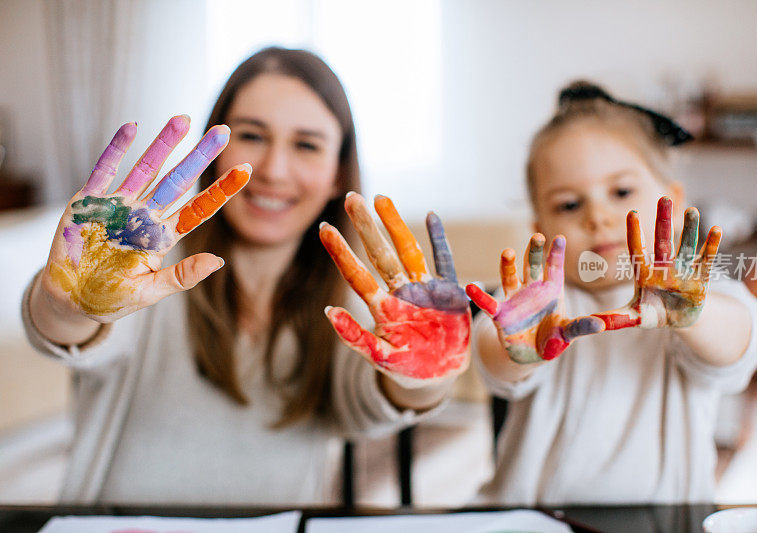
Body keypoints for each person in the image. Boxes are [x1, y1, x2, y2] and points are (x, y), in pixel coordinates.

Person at [23, 47, 462, 505]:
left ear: (337, 172)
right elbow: (70, 335)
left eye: (307, 145)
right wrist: (66, 304)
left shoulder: (351, 310)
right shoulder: (143, 274)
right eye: (252, 135)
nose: (273, 170)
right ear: (215, 154)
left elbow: (373, 405)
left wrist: (428, 375)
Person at [467, 81, 757, 505]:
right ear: (540, 230)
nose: (599, 216)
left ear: (675, 204)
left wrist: (695, 316)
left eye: (622, 192)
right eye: (569, 205)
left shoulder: (698, 297)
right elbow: (492, 360)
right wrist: (523, 347)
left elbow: (742, 341)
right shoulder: (539, 306)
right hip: (533, 519)